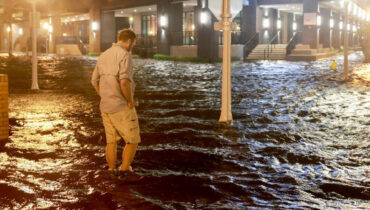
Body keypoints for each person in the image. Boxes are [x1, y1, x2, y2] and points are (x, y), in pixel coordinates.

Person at [91, 29, 143, 183]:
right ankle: (124, 170)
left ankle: (111, 169)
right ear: (129, 41)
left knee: (111, 141)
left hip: (105, 106)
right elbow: (124, 82)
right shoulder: (125, 55)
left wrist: (104, 96)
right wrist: (130, 101)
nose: (133, 46)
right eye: (133, 43)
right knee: (132, 140)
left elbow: (93, 81)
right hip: (120, 106)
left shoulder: (103, 55)